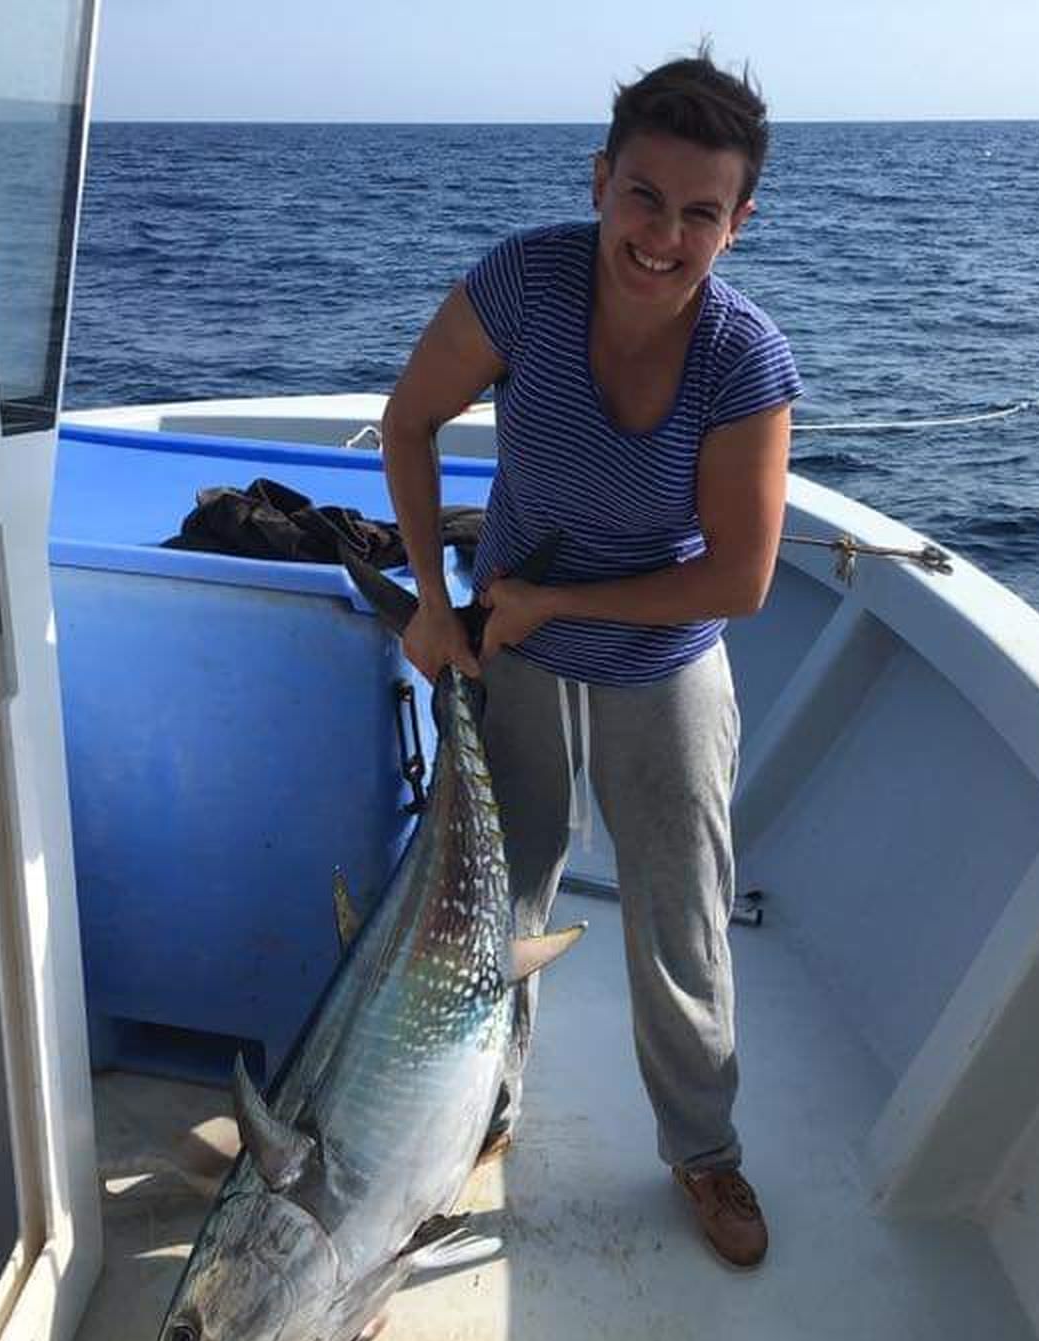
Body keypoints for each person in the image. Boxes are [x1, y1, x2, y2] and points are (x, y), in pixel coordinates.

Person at [380, 48, 800, 1270]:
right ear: (601, 179)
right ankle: (480, 1109)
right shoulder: (524, 282)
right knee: (498, 900)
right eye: (645, 197)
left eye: (702, 213)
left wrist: (552, 601)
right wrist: (426, 598)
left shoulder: (743, 359)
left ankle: (704, 1152)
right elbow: (410, 422)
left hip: (658, 658)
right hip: (509, 635)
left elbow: (741, 579)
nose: (665, 235)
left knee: (680, 916)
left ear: (739, 223)